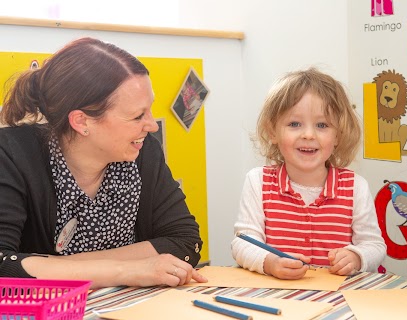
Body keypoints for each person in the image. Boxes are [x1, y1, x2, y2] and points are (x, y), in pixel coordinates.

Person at [0, 37, 207, 289]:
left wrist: (61, 266)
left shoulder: (142, 150)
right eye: (137, 115)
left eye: (149, 109)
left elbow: (185, 242)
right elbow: (4, 265)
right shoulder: (11, 154)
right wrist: (125, 270)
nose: (151, 125)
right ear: (81, 122)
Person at [231, 67, 386, 280]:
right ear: (272, 132)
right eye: (294, 124)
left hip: (339, 301)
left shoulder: (356, 186)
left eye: (322, 125)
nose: (308, 135)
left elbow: (374, 245)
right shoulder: (258, 181)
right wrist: (270, 263)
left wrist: (356, 257)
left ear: (339, 135)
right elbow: (243, 242)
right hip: (278, 298)